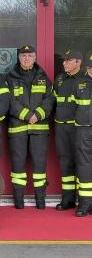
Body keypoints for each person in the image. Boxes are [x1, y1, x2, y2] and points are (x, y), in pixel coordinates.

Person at [6, 45, 55, 210]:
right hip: (18, 128)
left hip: (39, 128)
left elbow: (50, 100)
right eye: (23, 56)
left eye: (30, 56)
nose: (26, 58)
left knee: (40, 165)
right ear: (19, 58)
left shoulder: (43, 77)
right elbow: (9, 101)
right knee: (18, 166)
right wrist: (27, 115)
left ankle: (40, 199)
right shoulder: (10, 78)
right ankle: (18, 200)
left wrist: (38, 115)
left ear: (35, 57)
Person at [53, 50, 82, 211]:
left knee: (82, 163)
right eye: (64, 60)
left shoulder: (85, 80)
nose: (64, 63)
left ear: (78, 62)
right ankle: (68, 198)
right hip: (61, 127)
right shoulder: (60, 79)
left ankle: (84, 200)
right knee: (65, 163)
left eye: (68, 60)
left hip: (78, 128)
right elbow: (53, 101)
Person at [71, 55, 92, 217]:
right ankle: (85, 204)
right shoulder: (80, 83)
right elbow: (71, 107)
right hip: (83, 130)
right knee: (84, 167)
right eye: (90, 67)